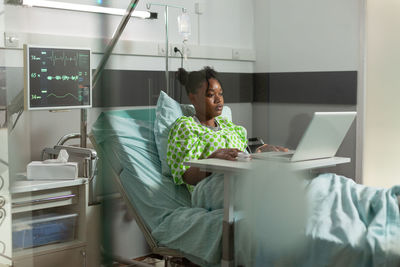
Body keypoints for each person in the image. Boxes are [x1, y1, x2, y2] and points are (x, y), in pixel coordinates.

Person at [166, 67, 287, 206]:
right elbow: (186, 175)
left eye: (221, 94)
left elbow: (243, 155)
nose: (219, 100)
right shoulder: (186, 126)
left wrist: (260, 153)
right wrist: (212, 160)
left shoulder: (228, 126)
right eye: (211, 95)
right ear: (192, 97)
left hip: (241, 179)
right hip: (210, 188)